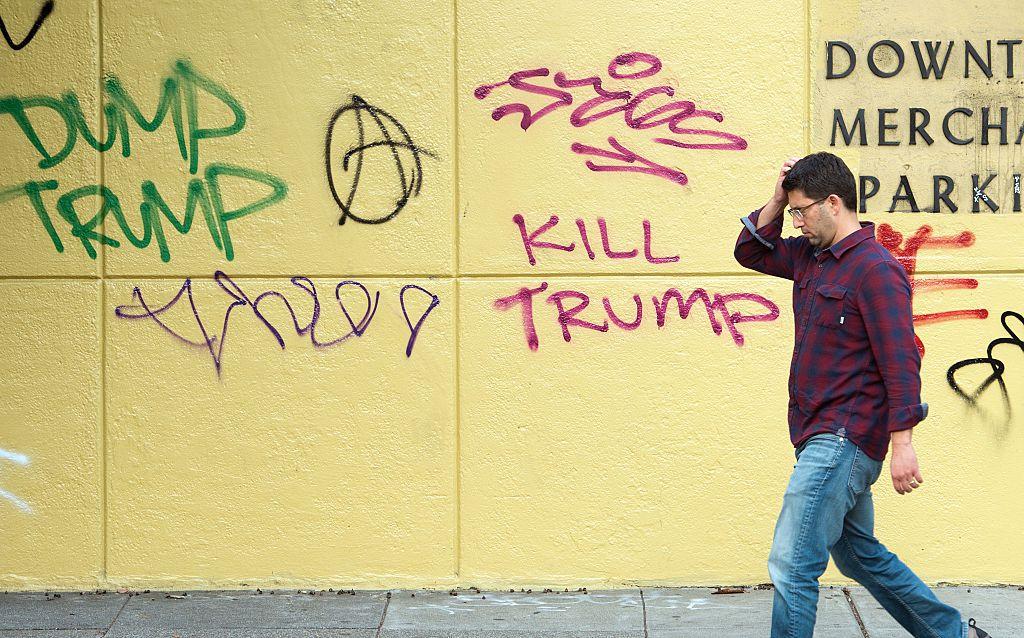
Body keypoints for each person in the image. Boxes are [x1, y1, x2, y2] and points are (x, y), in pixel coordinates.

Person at [733, 152, 990, 638]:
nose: (798, 221)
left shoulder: (875, 270)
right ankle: (951, 634)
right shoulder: (811, 258)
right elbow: (750, 251)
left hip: (844, 438)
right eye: (792, 212)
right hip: (816, 432)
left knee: (792, 563)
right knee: (858, 556)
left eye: (802, 210)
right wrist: (777, 195)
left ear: (833, 203)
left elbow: (901, 360)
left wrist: (904, 444)